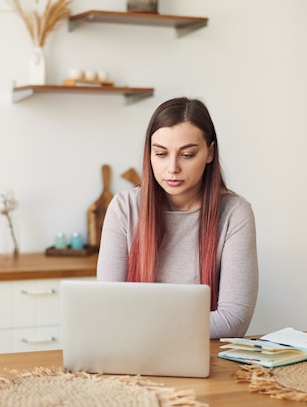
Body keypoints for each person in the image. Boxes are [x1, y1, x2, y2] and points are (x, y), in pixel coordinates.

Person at [96, 97, 258, 339]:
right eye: (161, 154)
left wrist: (143, 325)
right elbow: (108, 309)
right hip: (134, 355)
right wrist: (184, 325)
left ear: (209, 152)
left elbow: (233, 321)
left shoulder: (235, 213)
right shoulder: (124, 208)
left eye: (187, 154)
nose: (172, 167)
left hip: (204, 359)